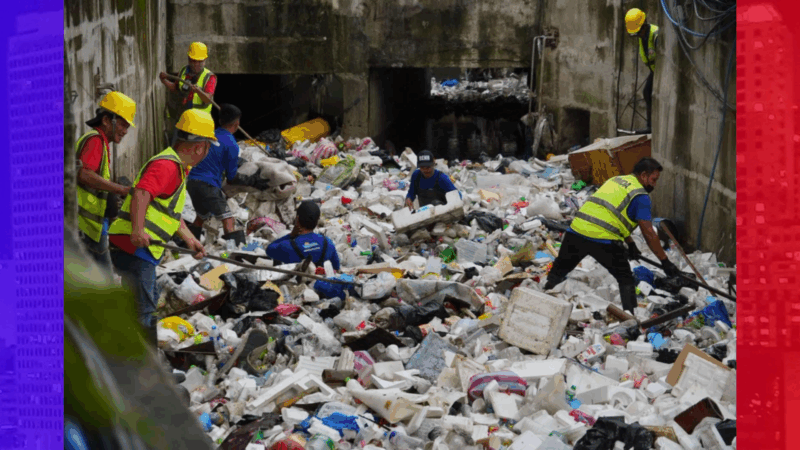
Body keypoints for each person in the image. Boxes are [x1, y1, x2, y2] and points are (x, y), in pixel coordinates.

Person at [108, 109, 218, 346]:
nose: (206, 153)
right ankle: (144, 369)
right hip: (133, 246)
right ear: (200, 147)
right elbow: (141, 193)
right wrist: (137, 230)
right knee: (145, 309)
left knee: (141, 303)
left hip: (137, 247)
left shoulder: (177, 168)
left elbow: (170, 214)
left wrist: (190, 240)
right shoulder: (168, 166)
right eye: (208, 147)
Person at [542, 157, 680, 313]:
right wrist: (665, 261)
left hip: (576, 231)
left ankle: (542, 301)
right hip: (603, 240)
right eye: (653, 180)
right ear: (643, 175)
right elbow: (648, 232)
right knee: (625, 278)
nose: (654, 184)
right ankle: (631, 318)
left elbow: (612, 214)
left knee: (559, 270)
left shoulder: (616, 180)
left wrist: (631, 243)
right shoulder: (640, 196)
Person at [75, 91, 138, 271]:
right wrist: (121, 190)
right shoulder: (95, 141)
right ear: (105, 120)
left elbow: (99, 184)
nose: (125, 131)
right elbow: (85, 175)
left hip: (91, 226)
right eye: (122, 125)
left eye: (127, 127)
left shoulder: (100, 143)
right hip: (85, 226)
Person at [185, 104, 245, 245]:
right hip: (208, 185)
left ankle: (187, 247)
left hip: (192, 183)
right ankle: (233, 252)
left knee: (200, 217)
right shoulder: (231, 144)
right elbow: (231, 177)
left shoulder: (209, 135)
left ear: (219, 121)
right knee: (228, 219)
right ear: (237, 124)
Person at [159, 42, 217, 138]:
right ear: (189, 59)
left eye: (199, 61)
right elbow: (175, 89)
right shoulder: (183, 71)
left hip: (200, 124)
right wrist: (164, 80)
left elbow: (208, 99)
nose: (196, 64)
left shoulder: (209, 77)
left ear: (205, 60)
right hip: (183, 121)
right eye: (193, 60)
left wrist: (198, 91)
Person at [267, 200, 341, 270]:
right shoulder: (328, 243)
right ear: (317, 221)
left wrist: (291, 235)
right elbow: (336, 267)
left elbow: (269, 249)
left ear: (297, 219)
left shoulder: (286, 246)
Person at [625, 8, 659, 134]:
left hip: (659, 72)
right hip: (654, 70)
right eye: (635, 34)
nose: (638, 35)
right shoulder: (642, 36)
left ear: (644, 25)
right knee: (647, 92)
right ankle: (650, 126)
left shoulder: (655, 35)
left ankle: (652, 126)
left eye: (638, 32)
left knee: (650, 92)